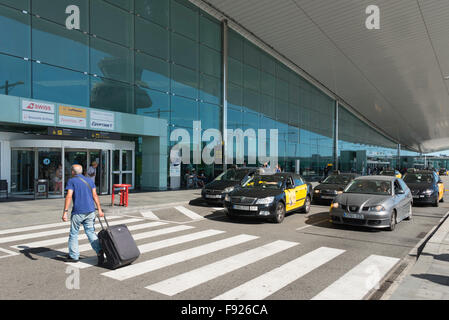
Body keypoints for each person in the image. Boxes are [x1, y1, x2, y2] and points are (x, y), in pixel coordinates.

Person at [62, 164, 105, 265]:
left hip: (78, 211)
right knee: (90, 232)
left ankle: (74, 256)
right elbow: (95, 195)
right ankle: (99, 251)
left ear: (73, 172)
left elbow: (69, 196)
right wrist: (99, 210)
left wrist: (65, 212)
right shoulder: (89, 180)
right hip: (90, 211)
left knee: (74, 233)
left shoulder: (71, 181)